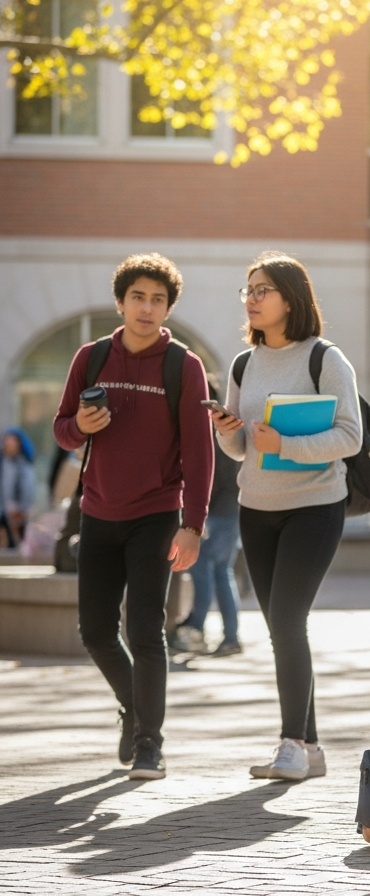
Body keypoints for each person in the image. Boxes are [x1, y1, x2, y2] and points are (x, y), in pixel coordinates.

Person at [53, 252, 213, 780]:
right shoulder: (91, 358)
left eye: (158, 300)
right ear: (121, 302)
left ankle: (150, 742)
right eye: (138, 298)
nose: (148, 308)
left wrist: (192, 526)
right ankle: (133, 705)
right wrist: (80, 423)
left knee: (145, 630)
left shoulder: (183, 366)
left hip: (157, 513)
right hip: (97, 511)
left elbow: (199, 452)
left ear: (168, 308)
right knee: (96, 630)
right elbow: (62, 431)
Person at [211, 252, 363, 780]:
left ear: (290, 299)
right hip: (257, 507)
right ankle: (312, 748)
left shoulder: (326, 359)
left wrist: (288, 443)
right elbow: (236, 450)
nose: (251, 299)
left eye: (262, 290)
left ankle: (292, 743)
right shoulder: (242, 364)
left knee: (286, 619)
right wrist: (230, 429)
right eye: (247, 290)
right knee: (283, 627)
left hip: (315, 507)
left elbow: (351, 436)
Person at [173, 379, 244, 657]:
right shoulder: (228, 423)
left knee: (201, 571)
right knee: (221, 573)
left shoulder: (208, 429)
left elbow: (208, 477)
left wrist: (194, 517)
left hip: (213, 513)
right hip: (231, 511)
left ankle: (195, 629)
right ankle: (230, 637)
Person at [0, 427, 37, 547]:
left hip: (18, 512)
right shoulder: (4, 463)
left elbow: (28, 489)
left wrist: (21, 508)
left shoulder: (25, 466)